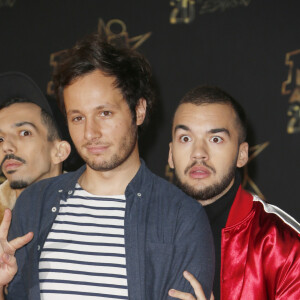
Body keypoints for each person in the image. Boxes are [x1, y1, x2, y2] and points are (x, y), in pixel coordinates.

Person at [0, 35, 214, 300]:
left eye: (104, 113)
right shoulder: (34, 204)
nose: (91, 133)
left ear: (138, 110)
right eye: (78, 118)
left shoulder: (181, 218)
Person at [167, 85, 300, 299]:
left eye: (215, 139)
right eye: (186, 138)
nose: (198, 154)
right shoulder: (140, 231)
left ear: (242, 154)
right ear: (171, 154)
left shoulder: (284, 246)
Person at [0, 72, 71, 221]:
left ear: (60, 151)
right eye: (0, 138)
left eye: (25, 133)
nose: (6, 146)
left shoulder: (95, 210)